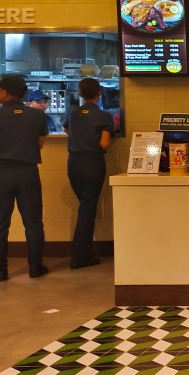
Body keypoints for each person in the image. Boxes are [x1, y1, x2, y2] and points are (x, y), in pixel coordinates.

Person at [0, 74, 49, 281]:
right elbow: (40, 143)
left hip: (2, 173)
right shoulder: (37, 116)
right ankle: (35, 267)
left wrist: (1, 158)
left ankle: (0, 270)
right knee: (33, 222)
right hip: (28, 172)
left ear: (5, 93)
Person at [63, 78, 112, 269]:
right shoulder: (104, 116)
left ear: (80, 93)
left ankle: (84, 250)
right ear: (99, 93)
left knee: (86, 206)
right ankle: (80, 255)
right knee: (87, 208)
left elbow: (66, 129)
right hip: (92, 164)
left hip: (73, 164)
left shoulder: (73, 112)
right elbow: (104, 144)